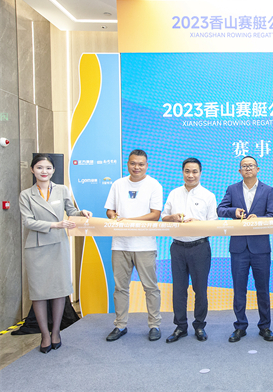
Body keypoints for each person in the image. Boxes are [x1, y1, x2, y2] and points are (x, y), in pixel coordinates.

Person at [19, 154, 92, 353]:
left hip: (58, 245)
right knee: (39, 293)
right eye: (40, 167)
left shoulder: (62, 190)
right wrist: (55, 225)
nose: (44, 171)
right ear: (32, 170)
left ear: (53, 170)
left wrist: (81, 212)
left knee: (60, 290)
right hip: (37, 247)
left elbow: (71, 211)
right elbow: (28, 222)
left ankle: (56, 333)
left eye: (48, 168)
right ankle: (44, 335)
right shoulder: (26, 195)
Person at [104, 149, 163, 342]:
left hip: (145, 245)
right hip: (120, 244)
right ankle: (120, 325)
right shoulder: (118, 184)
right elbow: (110, 210)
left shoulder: (154, 185)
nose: (136, 167)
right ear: (128, 164)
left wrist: (128, 221)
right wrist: (113, 215)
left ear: (147, 166)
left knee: (150, 287)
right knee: (120, 288)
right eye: (133, 163)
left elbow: (155, 215)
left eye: (141, 164)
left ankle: (154, 325)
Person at [217, 156, 273, 342]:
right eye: (244, 166)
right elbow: (220, 209)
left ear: (258, 169)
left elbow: (272, 216)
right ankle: (240, 326)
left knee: (263, 289)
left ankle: (265, 326)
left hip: (261, 248)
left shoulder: (268, 190)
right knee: (239, 289)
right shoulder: (232, 189)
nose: (248, 168)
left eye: (251, 166)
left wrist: (260, 219)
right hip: (239, 248)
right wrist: (233, 211)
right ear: (239, 171)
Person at [162, 158, 217, 343]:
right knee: (179, 289)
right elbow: (164, 218)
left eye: (194, 171)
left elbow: (213, 224)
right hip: (177, 247)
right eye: (187, 171)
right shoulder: (174, 193)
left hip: (199, 247)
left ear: (200, 173)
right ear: (182, 172)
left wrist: (198, 223)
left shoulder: (208, 196)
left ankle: (199, 325)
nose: (191, 175)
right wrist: (173, 217)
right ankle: (180, 326)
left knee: (200, 289)